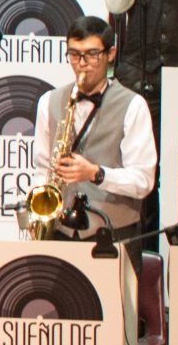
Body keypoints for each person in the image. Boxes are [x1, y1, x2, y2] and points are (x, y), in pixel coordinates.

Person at [27, 16, 157, 239]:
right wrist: (41, 210)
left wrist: (96, 174)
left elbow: (143, 180)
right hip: (60, 232)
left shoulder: (134, 105)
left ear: (111, 54)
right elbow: (41, 168)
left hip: (114, 233)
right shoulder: (48, 101)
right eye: (74, 54)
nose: (82, 63)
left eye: (92, 54)